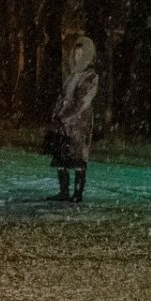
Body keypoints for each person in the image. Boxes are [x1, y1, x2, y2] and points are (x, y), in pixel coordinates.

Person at [48, 34, 99, 203]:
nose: (77, 58)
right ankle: (63, 191)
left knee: (78, 158)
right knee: (62, 156)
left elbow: (81, 102)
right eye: (75, 55)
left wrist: (64, 116)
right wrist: (56, 114)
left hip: (79, 124)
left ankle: (77, 193)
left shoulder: (90, 77)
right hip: (65, 123)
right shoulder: (71, 76)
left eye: (81, 55)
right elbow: (62, 97)